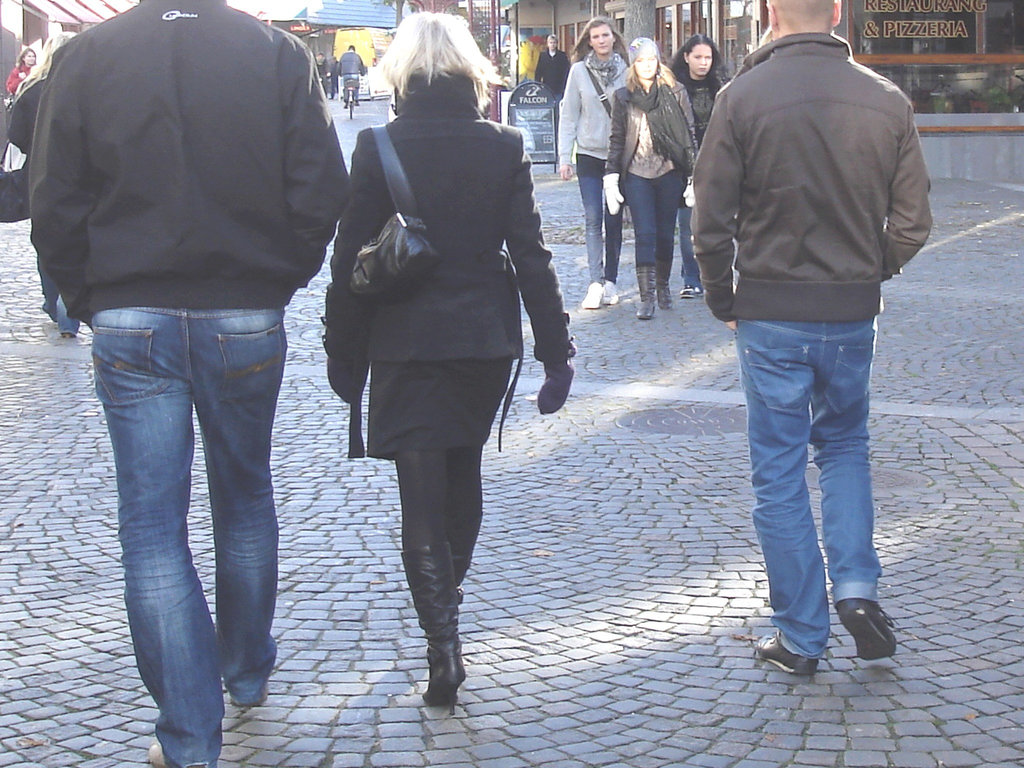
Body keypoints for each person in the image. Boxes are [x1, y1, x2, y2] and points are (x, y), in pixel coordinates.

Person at [29, 1, 349, 765]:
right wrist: (277, 278)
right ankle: (242, 670)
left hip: (131, 310)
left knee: (152, 528)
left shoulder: (90, 55)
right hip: (239, 305)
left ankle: (188, 730)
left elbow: (53, 197)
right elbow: (319, 187)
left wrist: (85, 294)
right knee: (243, 497)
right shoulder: (272, 52)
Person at [323, 12, 574, 711]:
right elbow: (531, 255)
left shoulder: (379, 146)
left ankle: (443, 643)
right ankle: (448, 604)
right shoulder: (504, 144)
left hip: (404, 343)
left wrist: (341, 353)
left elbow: (349, 262)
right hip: (481, 341)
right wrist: (556, 354)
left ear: (401, 71)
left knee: (419, 496)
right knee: (463, 471)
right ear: (472, 72)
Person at [692, 0, 932, 675]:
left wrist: (722, 299)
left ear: (770, 13)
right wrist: (869, 267)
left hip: (769, 309)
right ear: (834, 13)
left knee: (778, 470)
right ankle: (856, 588)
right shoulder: (887, 100)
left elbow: (709, 220)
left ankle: (801, 634)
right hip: (851, 311)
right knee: (847, 445)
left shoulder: (741, 98)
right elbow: (913, 222)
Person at [604, 38, 696, 320]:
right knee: (645, 233)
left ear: (658, 62)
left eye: (651, 60)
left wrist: (693, 173)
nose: (647, 65)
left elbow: (688, 132)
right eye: (641, 61)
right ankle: (646, 298)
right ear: (634, 64)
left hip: (668, 169)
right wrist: (611, 175)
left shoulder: (675, 91)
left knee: (665, 234)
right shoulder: (623, 96)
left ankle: (663, 285)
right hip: (637, 172)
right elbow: (617, 138)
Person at [8, 33, 80, 339]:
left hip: (40, 174)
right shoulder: (84, 87)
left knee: (47, 240)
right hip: (80, 174)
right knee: (78, 239)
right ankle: (69, 311)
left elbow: (16, 135)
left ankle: (54, 303)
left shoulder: (31, 89)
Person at [557, 17, 628, 310]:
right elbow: (569, 114)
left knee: (614, 218)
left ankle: (611, 280)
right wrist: (564, 157)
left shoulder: (626, 69)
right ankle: (595, 282)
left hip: (618, 154)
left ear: (614, 38)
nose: (601, 40)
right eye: (595, 36)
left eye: (605, 35)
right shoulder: (578, 71)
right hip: (588, 152)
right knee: (592, 217)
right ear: (589, 41)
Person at [669, 34, 725, 300]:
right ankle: (690, 277)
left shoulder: (721, 86)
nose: (704, 63)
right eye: (698, 57)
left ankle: (715, 276)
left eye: (708, 57)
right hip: (685, 161)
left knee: (716, 222)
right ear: (686, 57)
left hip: (717, 159)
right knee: (687, 222)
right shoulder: (675, 87)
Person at [534, 34, 570, 100]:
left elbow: (566, 71)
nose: (552, 45)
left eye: (554, 43)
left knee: (558, 106)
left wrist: (565, 85)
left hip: (559, 87)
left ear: (557, 44)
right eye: (551, 43)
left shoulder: (562, 56)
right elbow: (538, 71)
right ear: (547, 44)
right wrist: (538, 85)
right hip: (546, 86)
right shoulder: (543, 56)